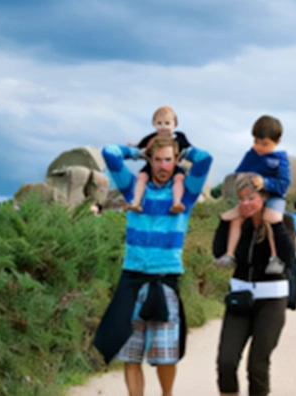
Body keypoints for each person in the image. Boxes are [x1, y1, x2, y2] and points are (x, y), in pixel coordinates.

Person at [93, 135, 213, 396]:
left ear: (175, 160)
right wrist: (136, 151)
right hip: (133, 279)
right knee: (131, 355)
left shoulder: (185, 196)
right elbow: (109, 153)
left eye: (168, 160)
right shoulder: (134, 189)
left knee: (166, 356)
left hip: (164, 280)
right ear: (150, 160)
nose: (162, 166)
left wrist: (184, 151)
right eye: (157, 160)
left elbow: (205, 160)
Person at [215, 174, 296, 396]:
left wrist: (275, 223)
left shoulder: (283, 221)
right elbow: (218, 252)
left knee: (257, 366)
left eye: (251, 197)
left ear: (265, 197)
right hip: (240, 298)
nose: (245, 204)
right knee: (226, 363)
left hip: (271, 301)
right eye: (241, 199)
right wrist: (226, 220)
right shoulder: (238, 225)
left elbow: (288, 259)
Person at [214, 115, 291, 273]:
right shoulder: (251, 155)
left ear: (276, 142)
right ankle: (229, 255)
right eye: (256, 142)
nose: (259, 147)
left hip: (272, 194)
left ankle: (275, 257)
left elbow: (283, 184)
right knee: (235, 218)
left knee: (272, 219)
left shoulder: (280, 159)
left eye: (264, 144)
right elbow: (238, 174)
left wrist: (265, 183)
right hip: (250, 193)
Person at [129, 106, 192, 214]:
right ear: (154, 124)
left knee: (179, 178)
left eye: (167, 123)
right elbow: (140, 147)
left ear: (174, 124)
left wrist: (187, 157)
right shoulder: (152, 137)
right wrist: (134, 147)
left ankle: (177, 203)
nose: (163, 127)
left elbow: (189, 148)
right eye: (159, 123)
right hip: (153, 165)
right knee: (142, 177)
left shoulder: (179, 136)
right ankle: (136, 202)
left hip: (173, 165)